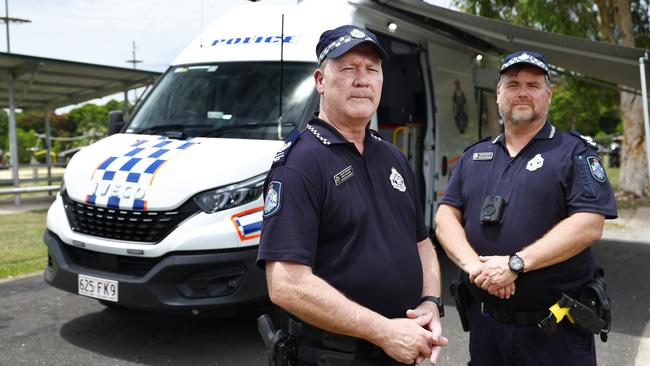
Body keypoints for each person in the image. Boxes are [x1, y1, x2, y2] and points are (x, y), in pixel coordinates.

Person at [257, 25, 448, 366]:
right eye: (348, 68)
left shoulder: (393, 157)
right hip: (337, 356)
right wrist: (384, 332)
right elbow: (286, 284)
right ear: (320, 81)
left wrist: (430, 302)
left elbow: (421, 243)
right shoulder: (300, 163)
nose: (363, 79)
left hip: (401, 352)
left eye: (372, 69)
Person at [435, 51, 617, 366]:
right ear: (498, 94)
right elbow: (445, 216)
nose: (522, 92)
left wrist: (516, 264)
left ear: (548, 95)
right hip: (487, 329)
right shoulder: (474, 156)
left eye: (533, 85)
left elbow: (589, 223)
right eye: (513, 84)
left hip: (554, 331)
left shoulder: (574, 153)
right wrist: (478, 269)